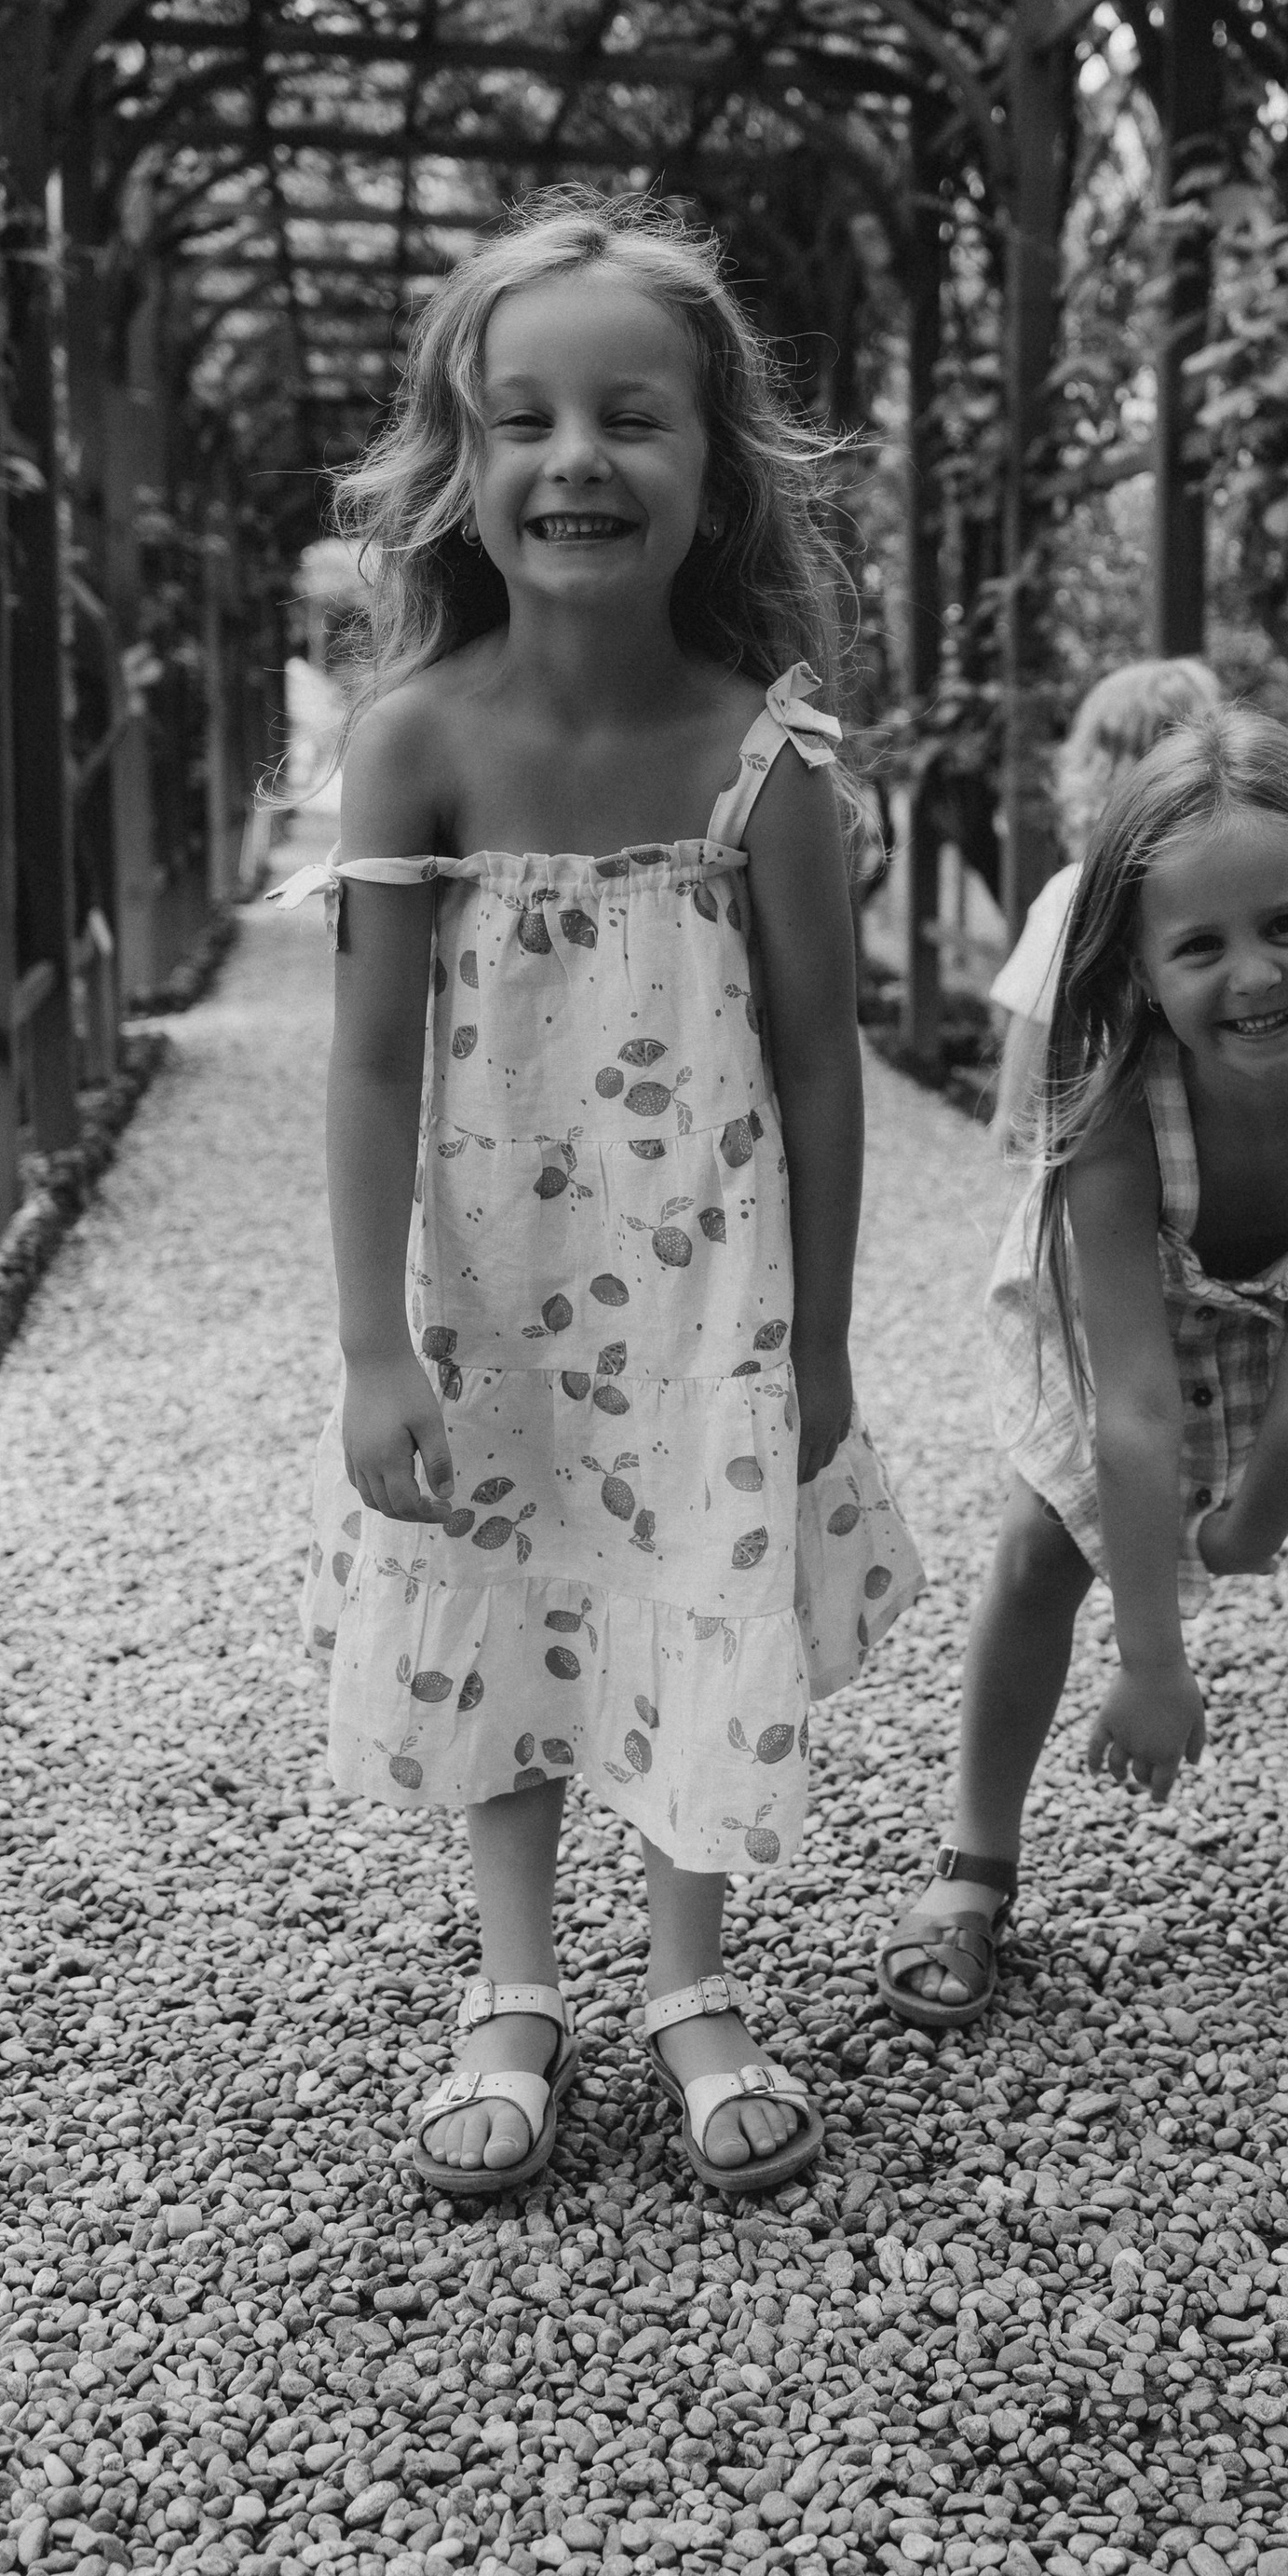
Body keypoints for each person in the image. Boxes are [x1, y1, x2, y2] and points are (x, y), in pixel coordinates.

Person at [295, 192, 920, 2204]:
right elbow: (374, 1056)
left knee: (688, 1598)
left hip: (702, 1288)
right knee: (507, 1616)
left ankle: (684, 1980)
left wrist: (819, 1338)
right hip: (493, 1285)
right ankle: (507, 1988)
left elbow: (822, 1061)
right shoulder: (413, 749)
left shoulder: (766, 759)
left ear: (713, 465)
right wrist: (371, 1345)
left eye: (630, 418)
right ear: (457, 468)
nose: (577, 460)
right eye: (522, 421)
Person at [876, 708, 1288, 2034]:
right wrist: (1152, 1658)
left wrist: (1256, 1520)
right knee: (1033, 1554)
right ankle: (975, 1861)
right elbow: (1133, 1412)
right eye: (1200, 945)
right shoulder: (1117, 1124)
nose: (1253, 976)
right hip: (1147, 1328)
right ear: (1135, 967)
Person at [986, 655, 1222, 1152]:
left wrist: (1009, 1116)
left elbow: (1032, 1015)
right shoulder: (1225, 888)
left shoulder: (1076, 892)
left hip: (1099, 1134)